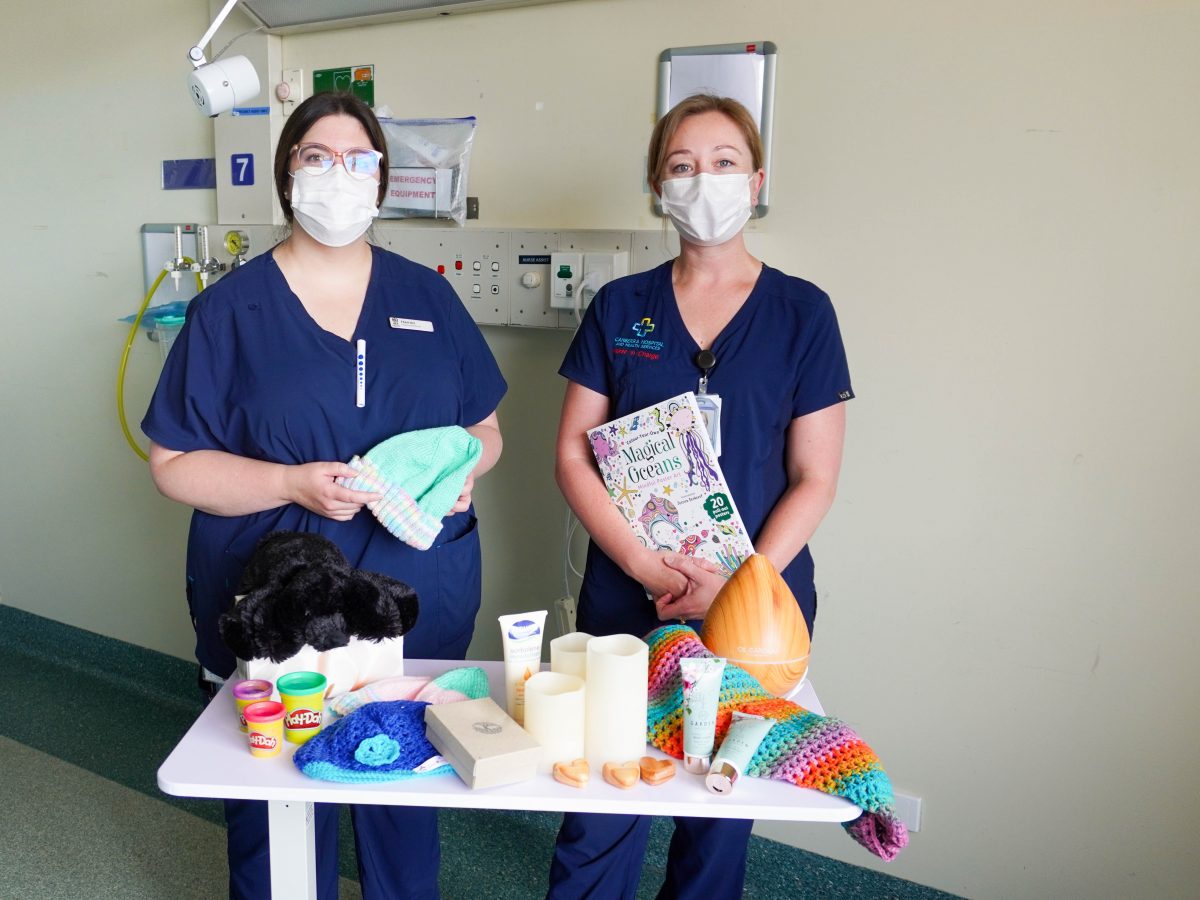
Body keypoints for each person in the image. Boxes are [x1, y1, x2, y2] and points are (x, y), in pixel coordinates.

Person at [142, 91, 506, 900]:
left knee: (402, 784)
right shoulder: (228, 310)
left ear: (381, 181)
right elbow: (172, 462)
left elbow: (485, 430)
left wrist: (458, 474)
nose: (338, 176)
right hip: (275, 598)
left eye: (358, 159)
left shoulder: (428, 298)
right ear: (286, 178)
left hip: (415, 591)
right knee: (274, 804)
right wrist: (287, 483)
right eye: (316, 157)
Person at [547, 94, 854, 899]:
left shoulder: (802, 313)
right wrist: (644, 565)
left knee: (715, 811)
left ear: (755, 181)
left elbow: (815, 478)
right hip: (629, 592)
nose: (703, 179)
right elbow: (573, 454)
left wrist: (739, 587)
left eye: (723, 163)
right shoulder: (621, 308)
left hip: (755, 604)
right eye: (682, 166)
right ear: (658, 187)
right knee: (602, 799)